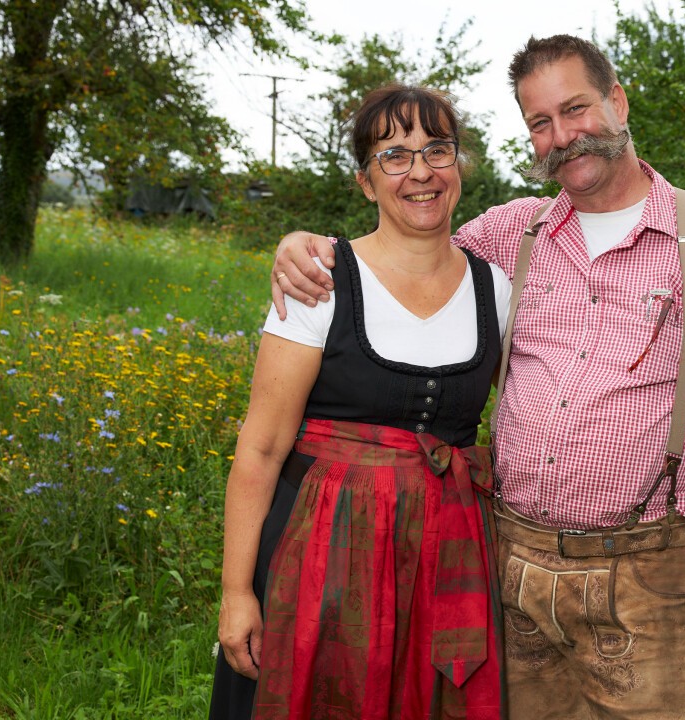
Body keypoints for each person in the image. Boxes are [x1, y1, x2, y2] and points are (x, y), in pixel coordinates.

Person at [272, 35, 685, 720]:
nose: (563, 136)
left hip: (648, 576)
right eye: (540, 122)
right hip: (511, 569)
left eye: (576, 109)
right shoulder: (511, 233)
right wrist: (308, 247)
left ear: (617, 101)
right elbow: (405, 249)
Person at [210, 84, 510, 720]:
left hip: (443, 558)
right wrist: (237, 591)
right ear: (366, 183)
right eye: (394, 156)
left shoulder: (496, 288)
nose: (421, 172)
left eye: (437, 150)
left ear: (459, 165)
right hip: (320, 556)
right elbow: (261, 448)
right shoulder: (319, 281)